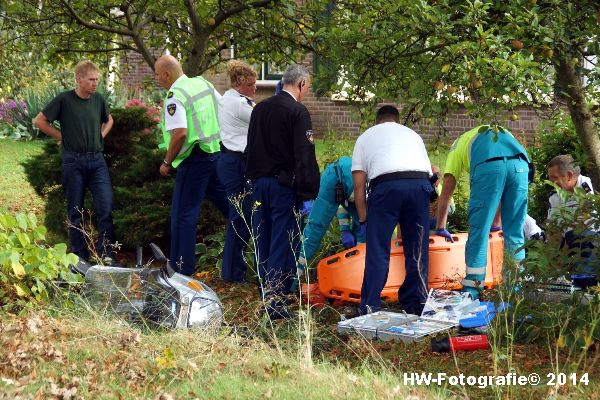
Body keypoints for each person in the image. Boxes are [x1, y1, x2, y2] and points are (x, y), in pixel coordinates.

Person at [245, 64, 320, 318]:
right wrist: (308, 192)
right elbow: (304, 155)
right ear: (300, 84)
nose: (306, 93)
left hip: (259, 184)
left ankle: (264, 293)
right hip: (282, 186)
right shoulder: (298, 112)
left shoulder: (260, 109)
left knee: (262, 241)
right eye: (307, 88)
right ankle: (274, 302)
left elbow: (251, 148)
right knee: (281, 242)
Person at [352, 105, 433, 315]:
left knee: (378, 251)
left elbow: (359, 186)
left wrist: (363, 221)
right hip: (419, 186)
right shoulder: (413, 135)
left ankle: (370, 306)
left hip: (386, 187)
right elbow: (432, 173)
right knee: (417, 250)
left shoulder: (365, 137)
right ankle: (416, 304)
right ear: (397, 120)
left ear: (376, 121)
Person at [154, 54, 229, 276]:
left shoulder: (175, 95)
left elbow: (180, 134)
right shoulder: (202, 83)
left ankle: (180, 269)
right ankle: (254, 243)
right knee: (230, 207)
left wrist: (167, 162)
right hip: (214, 154)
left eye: (157, 74)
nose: (157, 78)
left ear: (167, 74)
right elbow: (222, 108)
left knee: (183, 215)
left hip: (193, 159)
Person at [435, 125, 531, 299]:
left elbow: (447, 189)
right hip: (521, 165)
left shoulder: (457, 148)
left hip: (489, 167)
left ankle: (473, 289)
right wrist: (496, 223)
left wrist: (440, 226)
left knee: (479, 231)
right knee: (515, 233)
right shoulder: (500, 131)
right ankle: (514, 291)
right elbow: (505, 176)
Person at [33, 60, 115, 262]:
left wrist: (101, 136)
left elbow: (109, 120)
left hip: (97, 161)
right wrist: (60, 136)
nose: (95, 83)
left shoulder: (98, 100)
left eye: (97, 79)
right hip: (73, 162)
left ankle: (106, 255)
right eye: (91, 79)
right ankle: (79, 258)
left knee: (105, 208)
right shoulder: (64, 100)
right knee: (75, 211)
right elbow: (39, 121)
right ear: (79, 79)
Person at [217, 60, 257, 282]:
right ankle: (233, 273)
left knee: (241, 216)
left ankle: (234, 270)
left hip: (232, 161)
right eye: (251, 84)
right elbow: (264, 120)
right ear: (239, 84)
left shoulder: (231, 100)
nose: (255, 89)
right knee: (240, 217)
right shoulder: (239, 104)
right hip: (237, 162)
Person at [301, 156, 364, 264]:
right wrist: (345, 230)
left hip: (347, 181)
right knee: (313, 233)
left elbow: (346, 205)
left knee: (363, 231)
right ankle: (292, 276)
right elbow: (342, 205)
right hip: (337, 178)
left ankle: (358, 266)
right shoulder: (337, 182)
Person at [547, 154, 597, 276]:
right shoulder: (555, 196)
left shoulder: (586, 185)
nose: (552, 182)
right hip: (569, 244)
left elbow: (587, 222)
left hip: (590, 241)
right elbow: (553, 231)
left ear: (569, 175)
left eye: (554, 178)